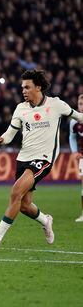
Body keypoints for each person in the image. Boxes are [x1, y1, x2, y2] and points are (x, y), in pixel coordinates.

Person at [0, 69, 83, 249]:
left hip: (43, 159)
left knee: (15, 192)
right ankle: (45, 220)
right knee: (24, 205)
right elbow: (10, 135)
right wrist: (1, 139)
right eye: (22, 88)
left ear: (38, 87)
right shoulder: (21, 109)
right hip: (23, 158)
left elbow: (79, 116)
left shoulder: (56, 105)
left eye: (27, 87)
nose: (23, 91)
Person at [69, 94, 83, 222]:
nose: (81, 106)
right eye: (80, 104)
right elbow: (72, 137)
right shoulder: (74, 121)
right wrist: (74, 152)